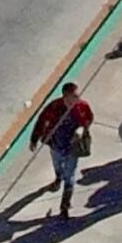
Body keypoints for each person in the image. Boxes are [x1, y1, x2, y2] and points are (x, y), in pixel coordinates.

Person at [30, 83, 94, 219]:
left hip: (72, 148)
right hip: (56, 145)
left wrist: (82, 128)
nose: (78, 98)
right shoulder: (54, 107)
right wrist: (34, 139)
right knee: (57, 165)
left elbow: (89, 118)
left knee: (70, 176)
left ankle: (65, 205)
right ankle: (58, 178)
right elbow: (41, 120)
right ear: (66, 96)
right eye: (74, 96)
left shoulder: (82, 106)